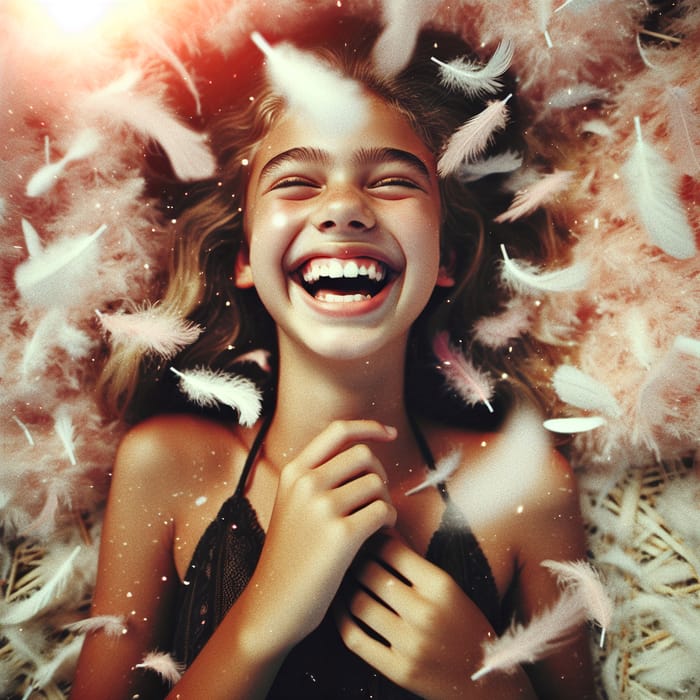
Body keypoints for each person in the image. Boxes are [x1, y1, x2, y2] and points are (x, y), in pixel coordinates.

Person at [72, 19, 594, 700]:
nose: (344, 207)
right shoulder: (167, 466)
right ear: (243, 259)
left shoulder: (528, 486)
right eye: (296, 183)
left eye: (392, 182)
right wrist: (264, 617)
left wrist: (487, 687)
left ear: (448, 259)